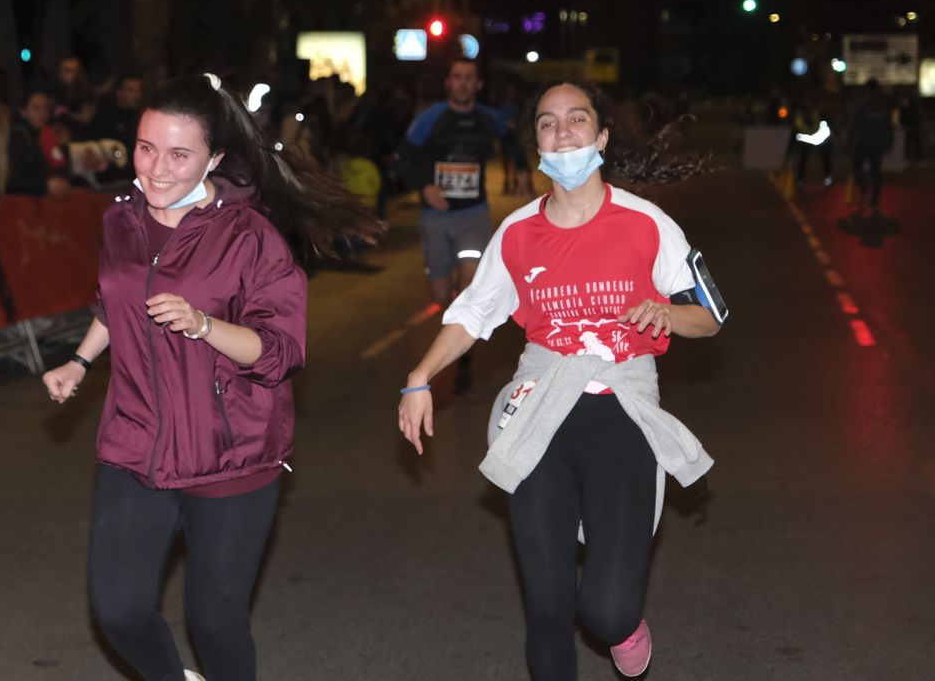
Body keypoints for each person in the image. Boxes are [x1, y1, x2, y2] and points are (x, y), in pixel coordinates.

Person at [42, 74, 384, 681]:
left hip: (231, 451)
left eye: (179, 154)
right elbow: (116, 301)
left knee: (216, 620)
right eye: (147, 148)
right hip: (136, 441)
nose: (157, 168)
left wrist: (204, 325)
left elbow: (281, 349)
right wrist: (81, 359)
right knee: (117, 611)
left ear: (214, 158)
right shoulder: (120, 220)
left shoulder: (251, 236)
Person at [398, 81, 728, 681]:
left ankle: (625, 625)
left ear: (601, 136)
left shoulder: (647, 223)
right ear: (536, 143)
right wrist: (420, 377)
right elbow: (474, 312)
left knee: (604, 609)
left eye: (578, 120)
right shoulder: (518, 233)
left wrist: (667, 314)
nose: (563, 133)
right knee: (548, 609)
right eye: (549, 124)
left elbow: (710, 315)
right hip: (539, 414)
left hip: (620, 413)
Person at [398, 56, 533, 393]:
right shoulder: (431, 119)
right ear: (448, 83)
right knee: (443, 294)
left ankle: (464, 364)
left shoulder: (488, 119)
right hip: (436, 218)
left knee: (471, 284)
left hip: (473, 216)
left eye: (469, 77)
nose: (462, 83)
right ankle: (454, 328)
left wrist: (524, 172)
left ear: (478, 84)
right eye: (456, 77)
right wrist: (424, 188)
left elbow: (513, 144)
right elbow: (404, 158)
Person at [6, 87, 72, 196]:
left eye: (46, 108)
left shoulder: (47, 135)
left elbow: (62, 170)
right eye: (36, 108)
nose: (42, 113)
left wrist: (64, 147)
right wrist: (45, 186)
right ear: (23, 111)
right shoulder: (18, 137)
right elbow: (13, 181)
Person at [848, 79, 895, 215]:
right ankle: (874, 201)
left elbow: (853, 126)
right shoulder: (884, 106)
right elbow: (889, 127)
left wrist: (849, 142)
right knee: (876, 172)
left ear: (867, 90)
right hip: (877, 145)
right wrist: (889, 142)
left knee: (858, 169)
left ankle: (864, 193)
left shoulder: (862, 105)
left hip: (863, 143)